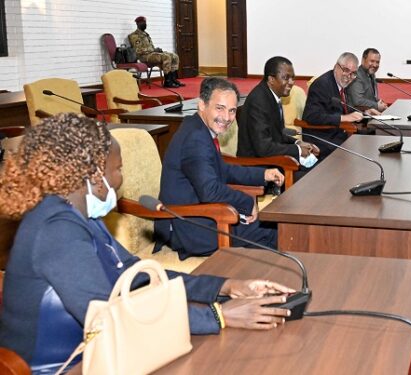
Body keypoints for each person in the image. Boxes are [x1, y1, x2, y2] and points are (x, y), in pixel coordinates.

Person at [0, 113, 294, 372]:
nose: (120, 179)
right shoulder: (55, 231)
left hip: (103, 355)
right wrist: (220, 316)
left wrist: (225, 287)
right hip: (66, 367)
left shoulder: (79, 217)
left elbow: (137, 273)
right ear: (94, 175)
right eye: (118, 169)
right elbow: (112, 317)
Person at [155, 77, 283, 259]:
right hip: (190, 227)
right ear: (202, 105)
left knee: (269, 229)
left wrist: (263, 174)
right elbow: (210, 190)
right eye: (219, 108)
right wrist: (246, 203)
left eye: (232, 111)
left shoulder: (197, 127)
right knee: (273, 229)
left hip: (202, 215)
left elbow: (223, 170)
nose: (227, 118)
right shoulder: (196, 138)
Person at [237, 56, 320, 180]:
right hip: (258, 166)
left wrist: (298, 142)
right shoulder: (259, 101)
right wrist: (297, 150)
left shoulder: (272, 95)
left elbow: (277, 135)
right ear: (271, 79)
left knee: (318, 167)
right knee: (313, 178)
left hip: (272, 159)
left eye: (293, 78)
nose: (291, 82)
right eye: (286, 78)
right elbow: (263, 147)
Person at [301, 52, 364, 160]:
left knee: (365, 146)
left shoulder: (342, 84)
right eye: (346, 70)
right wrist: (343, 118)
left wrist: (364, 113)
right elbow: (311, 116)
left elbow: (342, 108)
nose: (348, 76)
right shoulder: (321, 85)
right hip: (322, 140)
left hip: (338, 136)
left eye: (353, 73)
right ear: (336, 67)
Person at [128, 16, 184, 88]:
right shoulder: (134, 36)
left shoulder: (146, 34)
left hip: (152, 54)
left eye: (145, 22)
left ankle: (173, 79)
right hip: (144, 57)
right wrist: (154, 50)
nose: (145, 24)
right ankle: (167, 82)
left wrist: (156, 50)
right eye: (143, 22)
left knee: (174, 56)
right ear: (138, 24)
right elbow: (138, 51)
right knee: (166, 57)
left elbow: (150, 48)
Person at [346, 48, 388, 114]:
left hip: (369, 115)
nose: (375, 65)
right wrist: (377, 105)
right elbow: (357, 101)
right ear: (363, 60)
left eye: (377, 62)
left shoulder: (371, 74)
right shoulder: (356, 76)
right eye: (372, 61)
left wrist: (380, 102)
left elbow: (369, 97)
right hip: (356, 119)